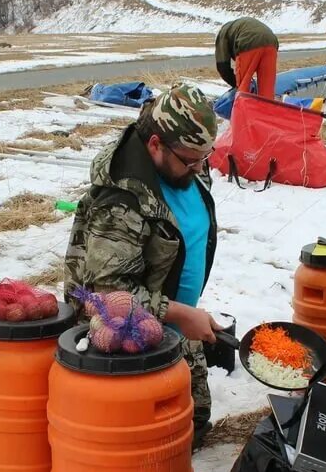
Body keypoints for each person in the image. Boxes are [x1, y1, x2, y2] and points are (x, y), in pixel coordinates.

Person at [64, 84, 222, 447]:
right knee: (144, 438)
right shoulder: (122, 201)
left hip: (173, 318)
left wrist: (183, 314)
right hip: (123, 330)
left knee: (193, 424)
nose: (200, 168)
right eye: (191, 160)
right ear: (155, 145)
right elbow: (105, 295)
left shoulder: (183, 162)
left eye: (205, 157)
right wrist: (179, 313)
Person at [214, 16, 279, 101]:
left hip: (248, 41)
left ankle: (243, 111)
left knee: (243, 88)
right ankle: (266, 112)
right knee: (267, 89)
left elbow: (222, 67)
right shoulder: (236, 27)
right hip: (272, 42)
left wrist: (235, 84)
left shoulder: (222, 34)